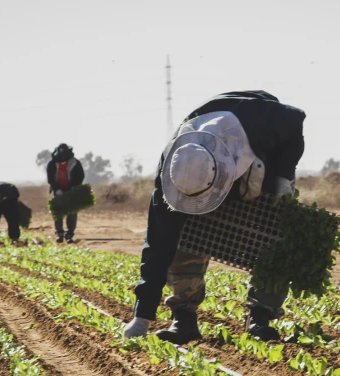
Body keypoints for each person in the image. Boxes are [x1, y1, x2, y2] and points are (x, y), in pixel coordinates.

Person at [122, 90, 305, 345]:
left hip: (259, 159)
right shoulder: (172, 172)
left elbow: (296, 120)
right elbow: (157, 242)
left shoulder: (267, 121)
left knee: (273, 238)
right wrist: (142, 315)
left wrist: (284, 176)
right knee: (181, 237)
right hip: (212, 163)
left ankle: (260, 317)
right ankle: (183, 318)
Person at [45, 144, 85, 243]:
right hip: (58, 192)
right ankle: (59, 233)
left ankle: (69, 234)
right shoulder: (52, 164)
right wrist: (57, 189)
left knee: (72, 213)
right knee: (58, 212)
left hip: (72, 191)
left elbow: (80, 176)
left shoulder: (75, 163)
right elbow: (50, 178)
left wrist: (74, 188)